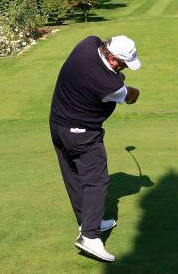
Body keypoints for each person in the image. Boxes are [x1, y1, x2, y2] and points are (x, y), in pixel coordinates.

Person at [49, 35, 141, 262]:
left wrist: (119, 74)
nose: (123, 67)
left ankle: (90, 220)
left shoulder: (88, 43)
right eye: (122, 63)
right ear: (111, 59)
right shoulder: (109, 84)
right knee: (96, 181)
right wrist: (132, 88)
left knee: (73, 176)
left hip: (57, 124)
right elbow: (129, 97)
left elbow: (102, 62)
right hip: (82, 133)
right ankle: (89, 236)